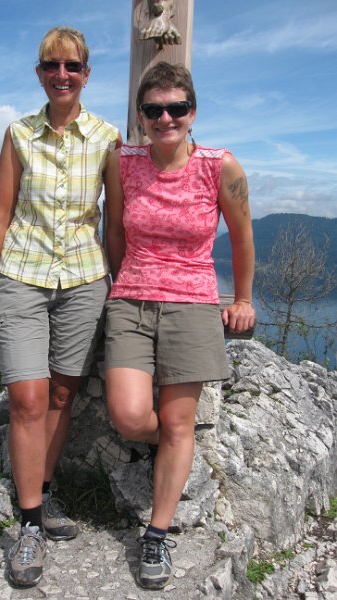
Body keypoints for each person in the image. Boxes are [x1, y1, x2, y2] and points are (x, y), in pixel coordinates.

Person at [0, 26, 122, 587]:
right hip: (21, 276)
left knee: (62, 394)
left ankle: (45, 490)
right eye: (51, 65)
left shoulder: (106, 138)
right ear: (39, 73)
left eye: (72, 66)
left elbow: (114, 224)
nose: (62, 75)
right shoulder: (18, 134)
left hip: (84, 280)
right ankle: (29, 523)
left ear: (86, 74)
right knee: (27, 398)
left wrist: (121, 285)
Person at [104, 61, 255, 591]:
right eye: (153, 110)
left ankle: (157, 533)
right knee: (129, 416)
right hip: (132, 299)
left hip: (193, 303)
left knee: (177, 422)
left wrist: (244, 299)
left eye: (176, 108)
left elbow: (241, 236)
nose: (165, 118)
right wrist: (121, 282)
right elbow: (114, 231)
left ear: (193, 112)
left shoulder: (220, 165)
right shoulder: (123, 163)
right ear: (141, 117)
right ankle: (172, 445)